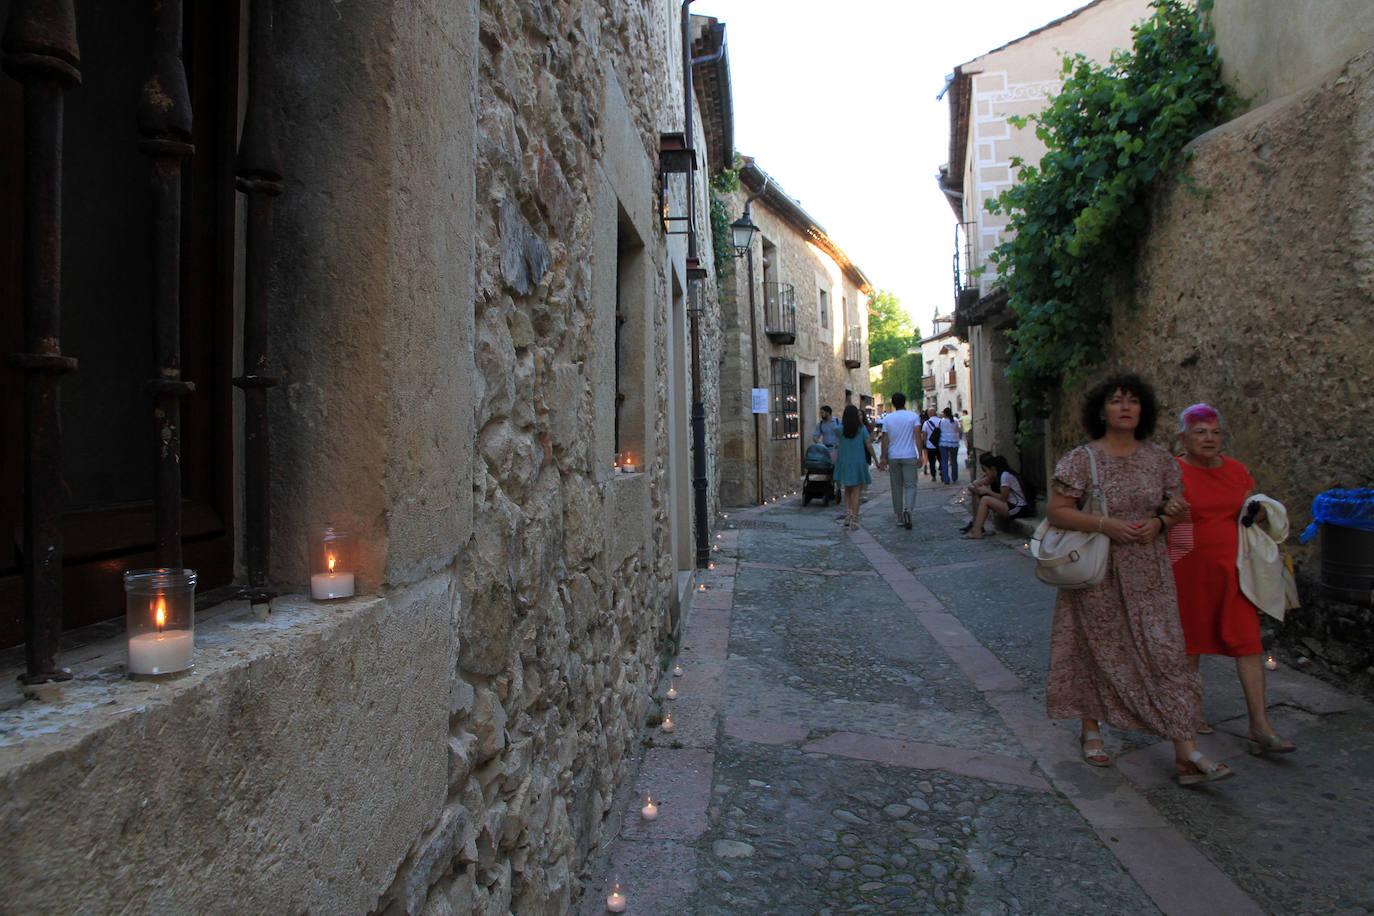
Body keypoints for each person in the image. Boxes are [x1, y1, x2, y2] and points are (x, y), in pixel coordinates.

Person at [1044, 374, 1232, 787]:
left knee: (1165, 654)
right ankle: (1091, 729)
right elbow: (1057, 511)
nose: (1126, 407)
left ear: (1142, 410)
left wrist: (1162, 519)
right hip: (1098, 572)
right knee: (1094, 650)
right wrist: (1106, 524)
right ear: (1102, 411)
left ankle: (1186, 752)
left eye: (1133, 401)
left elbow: (1176, 510)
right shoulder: (1081, 459)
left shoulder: (1160, 459)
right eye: (1116, 401)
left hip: (1149, 571)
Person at [1171, 403, 1295, 754]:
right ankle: (1191, 714)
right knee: (1190, 646)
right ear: (1183, 438)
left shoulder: (1237, 471)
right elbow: (1166, 519)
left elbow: (1245, 510)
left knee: (1248, 643)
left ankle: (1260, 725)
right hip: (1188, 571)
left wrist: (1256, 514)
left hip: (1236, 572)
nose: (1209, 438)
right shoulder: (1173, 472)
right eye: (1200, 432)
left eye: (1215, 432)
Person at [878, 392, 923, 530]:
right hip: (909, 455)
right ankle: (908, 510)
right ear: (905, 402)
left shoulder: (888, 419)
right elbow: (917, 437)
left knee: (896, 487)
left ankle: (899, 517)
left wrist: (883, 456)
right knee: (910, 485)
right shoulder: (913, 417)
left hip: (893, 456)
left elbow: (885, 439)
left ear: (893, 403)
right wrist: (920, 455)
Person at [962, 454, 1030, 538]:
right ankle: (977, 527)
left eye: (986, 470)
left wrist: (987, 491)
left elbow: (1003, 498)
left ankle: (977, 531)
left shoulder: (1005, 476)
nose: (985, 473)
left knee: (985, 500)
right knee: (980, 496)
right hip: (1011, 506)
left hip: (1018, 508)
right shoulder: (999, 475)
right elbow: (975, 485)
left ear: (992, 468)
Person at [833, 404, 874, 531]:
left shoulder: (839, 430)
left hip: (844, 462)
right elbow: (868, 445)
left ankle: (847, 516)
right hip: (858, 463)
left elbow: (836, 429)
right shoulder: (861, 429)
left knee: (847, 491)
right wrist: (876, 460)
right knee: (857, 492)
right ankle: (854, 519)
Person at [813, 405, 842, 501]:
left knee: (836, 470)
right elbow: (815, 435)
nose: (821, 414)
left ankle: (838, 489)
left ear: (828, 413)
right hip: (825, 450)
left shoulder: (837, 422)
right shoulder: (821, 424)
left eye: (822, 412)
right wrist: (817, 441)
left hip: (835, 449)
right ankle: (828, 489)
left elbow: (843, 434)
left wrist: (840, 443)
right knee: (827, 470)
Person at [939, 407, 961, 484]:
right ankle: (954, 477)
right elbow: (958, 430)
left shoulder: (941, 421)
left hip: (943, 441)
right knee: (954, 460)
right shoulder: (955, 420)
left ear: (945, 413)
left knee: (944, 461)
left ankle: (946, 479)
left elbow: (939, 429)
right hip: (954, 441)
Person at [921, 408, 941, 482]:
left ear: (929, 414)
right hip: (939, 444)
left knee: (932, 462)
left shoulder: (926, 423)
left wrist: (925, 443)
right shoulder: (940, 421)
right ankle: (942, 471)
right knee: (940, 459)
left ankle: (933, 476)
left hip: (930, 445)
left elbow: (924, 434)